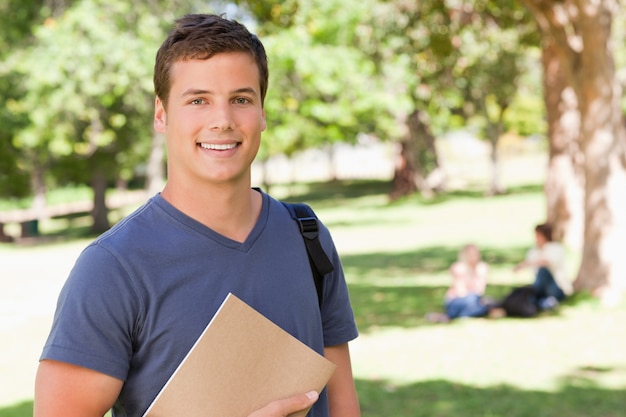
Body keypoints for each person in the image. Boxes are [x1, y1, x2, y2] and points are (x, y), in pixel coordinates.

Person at [34, 13, 360, 417]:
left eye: (241, 99)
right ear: (161, 114)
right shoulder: (113, 268)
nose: (222, 120)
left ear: (262, 113)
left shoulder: (306, 236)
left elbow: (343, 406)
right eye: (197, 100)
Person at [426, 244, 493, 322]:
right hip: (457, 300)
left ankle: (449, 316)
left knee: (488, 302)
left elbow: (480, 290)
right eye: (470, 254)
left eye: (475, 254)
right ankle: (452, 315)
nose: (473, 257)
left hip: (474, 299)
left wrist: (479, 275)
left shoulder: (481, 268)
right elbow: (461, 292)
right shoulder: (458, 268)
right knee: (474, 301)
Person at [513, 222, 572, 310]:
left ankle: (538, 298)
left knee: (543, 271)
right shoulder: (533, 251)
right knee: (538, 298)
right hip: (541, 288)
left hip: (557, 287)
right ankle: (543, 302)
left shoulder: (555, 248)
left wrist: (525, 264)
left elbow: (545, 262)